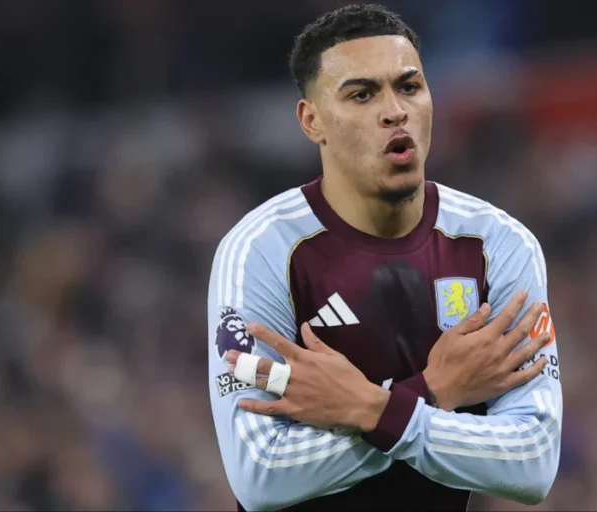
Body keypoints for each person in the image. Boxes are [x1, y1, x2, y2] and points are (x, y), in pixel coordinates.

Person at [207, 4, 563, 511]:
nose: (395, 110)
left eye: (409, 87)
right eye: (362, 94)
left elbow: (532, 461)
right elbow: (260, 472)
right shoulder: (261, 250)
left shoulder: (498, 246)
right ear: (312, 120)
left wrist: (372, 410)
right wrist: (433, 392)